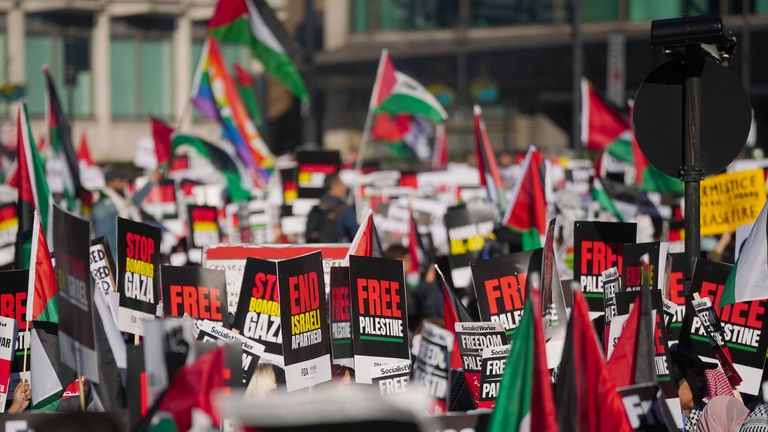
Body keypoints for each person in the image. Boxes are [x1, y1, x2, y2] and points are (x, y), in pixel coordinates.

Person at [91, 166, 159, 257]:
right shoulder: (104, 206)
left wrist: (151, 182)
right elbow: (104, 240)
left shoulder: (121, 201)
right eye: (120, 179)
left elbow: (134, 202)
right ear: (110, 183)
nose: (124, 182)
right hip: (115, 258)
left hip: (127, 254)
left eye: (124, 179)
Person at [305, 174, 358, 243]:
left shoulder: (316, 208)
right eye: (342, 184)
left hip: (315, 251)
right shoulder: (343, 209)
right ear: (335, 187)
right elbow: (356, 236)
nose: (345, 188)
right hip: (335, 251)